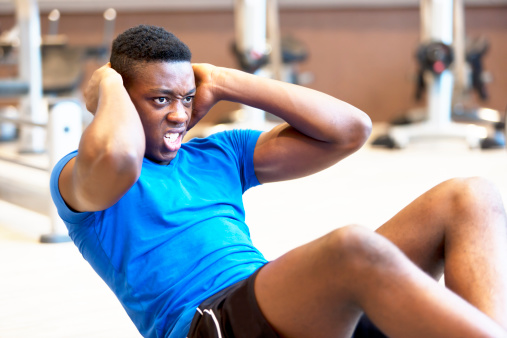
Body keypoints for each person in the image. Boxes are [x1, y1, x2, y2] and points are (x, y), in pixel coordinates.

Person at [50, 24, 507, 338]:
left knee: (470, 196)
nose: (179, 114)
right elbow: (118, 153)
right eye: (160, 98)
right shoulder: (82, 176)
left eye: (186, 98)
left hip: (280, 309)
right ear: (123, 100)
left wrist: (227, 81)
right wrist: (105, 86)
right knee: (352, 248)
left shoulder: (218, 154)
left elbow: (352, 130)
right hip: (209, 325)